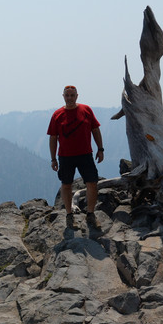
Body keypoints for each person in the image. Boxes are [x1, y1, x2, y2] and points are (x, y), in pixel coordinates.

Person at [47, 85, 104, 227]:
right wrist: (53, 158)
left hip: (85, 154)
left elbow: (95, 129)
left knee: (92, 183)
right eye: (67, 95)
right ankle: (68, 214)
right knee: (66, 185)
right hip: (65, 157)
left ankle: (90, 214)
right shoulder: (57, 115)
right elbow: (53, 137)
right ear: (63, 96)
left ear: (77, 96)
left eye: (72, 95)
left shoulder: (86, 110)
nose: (70, 98)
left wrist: (100, 149)